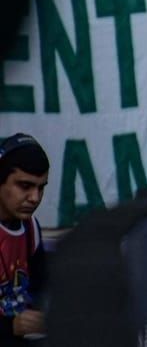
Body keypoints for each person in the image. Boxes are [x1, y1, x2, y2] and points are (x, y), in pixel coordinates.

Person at [0, 133, 49, 344]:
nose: (35, 198)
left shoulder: (30, 228)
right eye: (25, 186)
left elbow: (40, 286)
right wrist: (10, 327)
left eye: (41, 187)